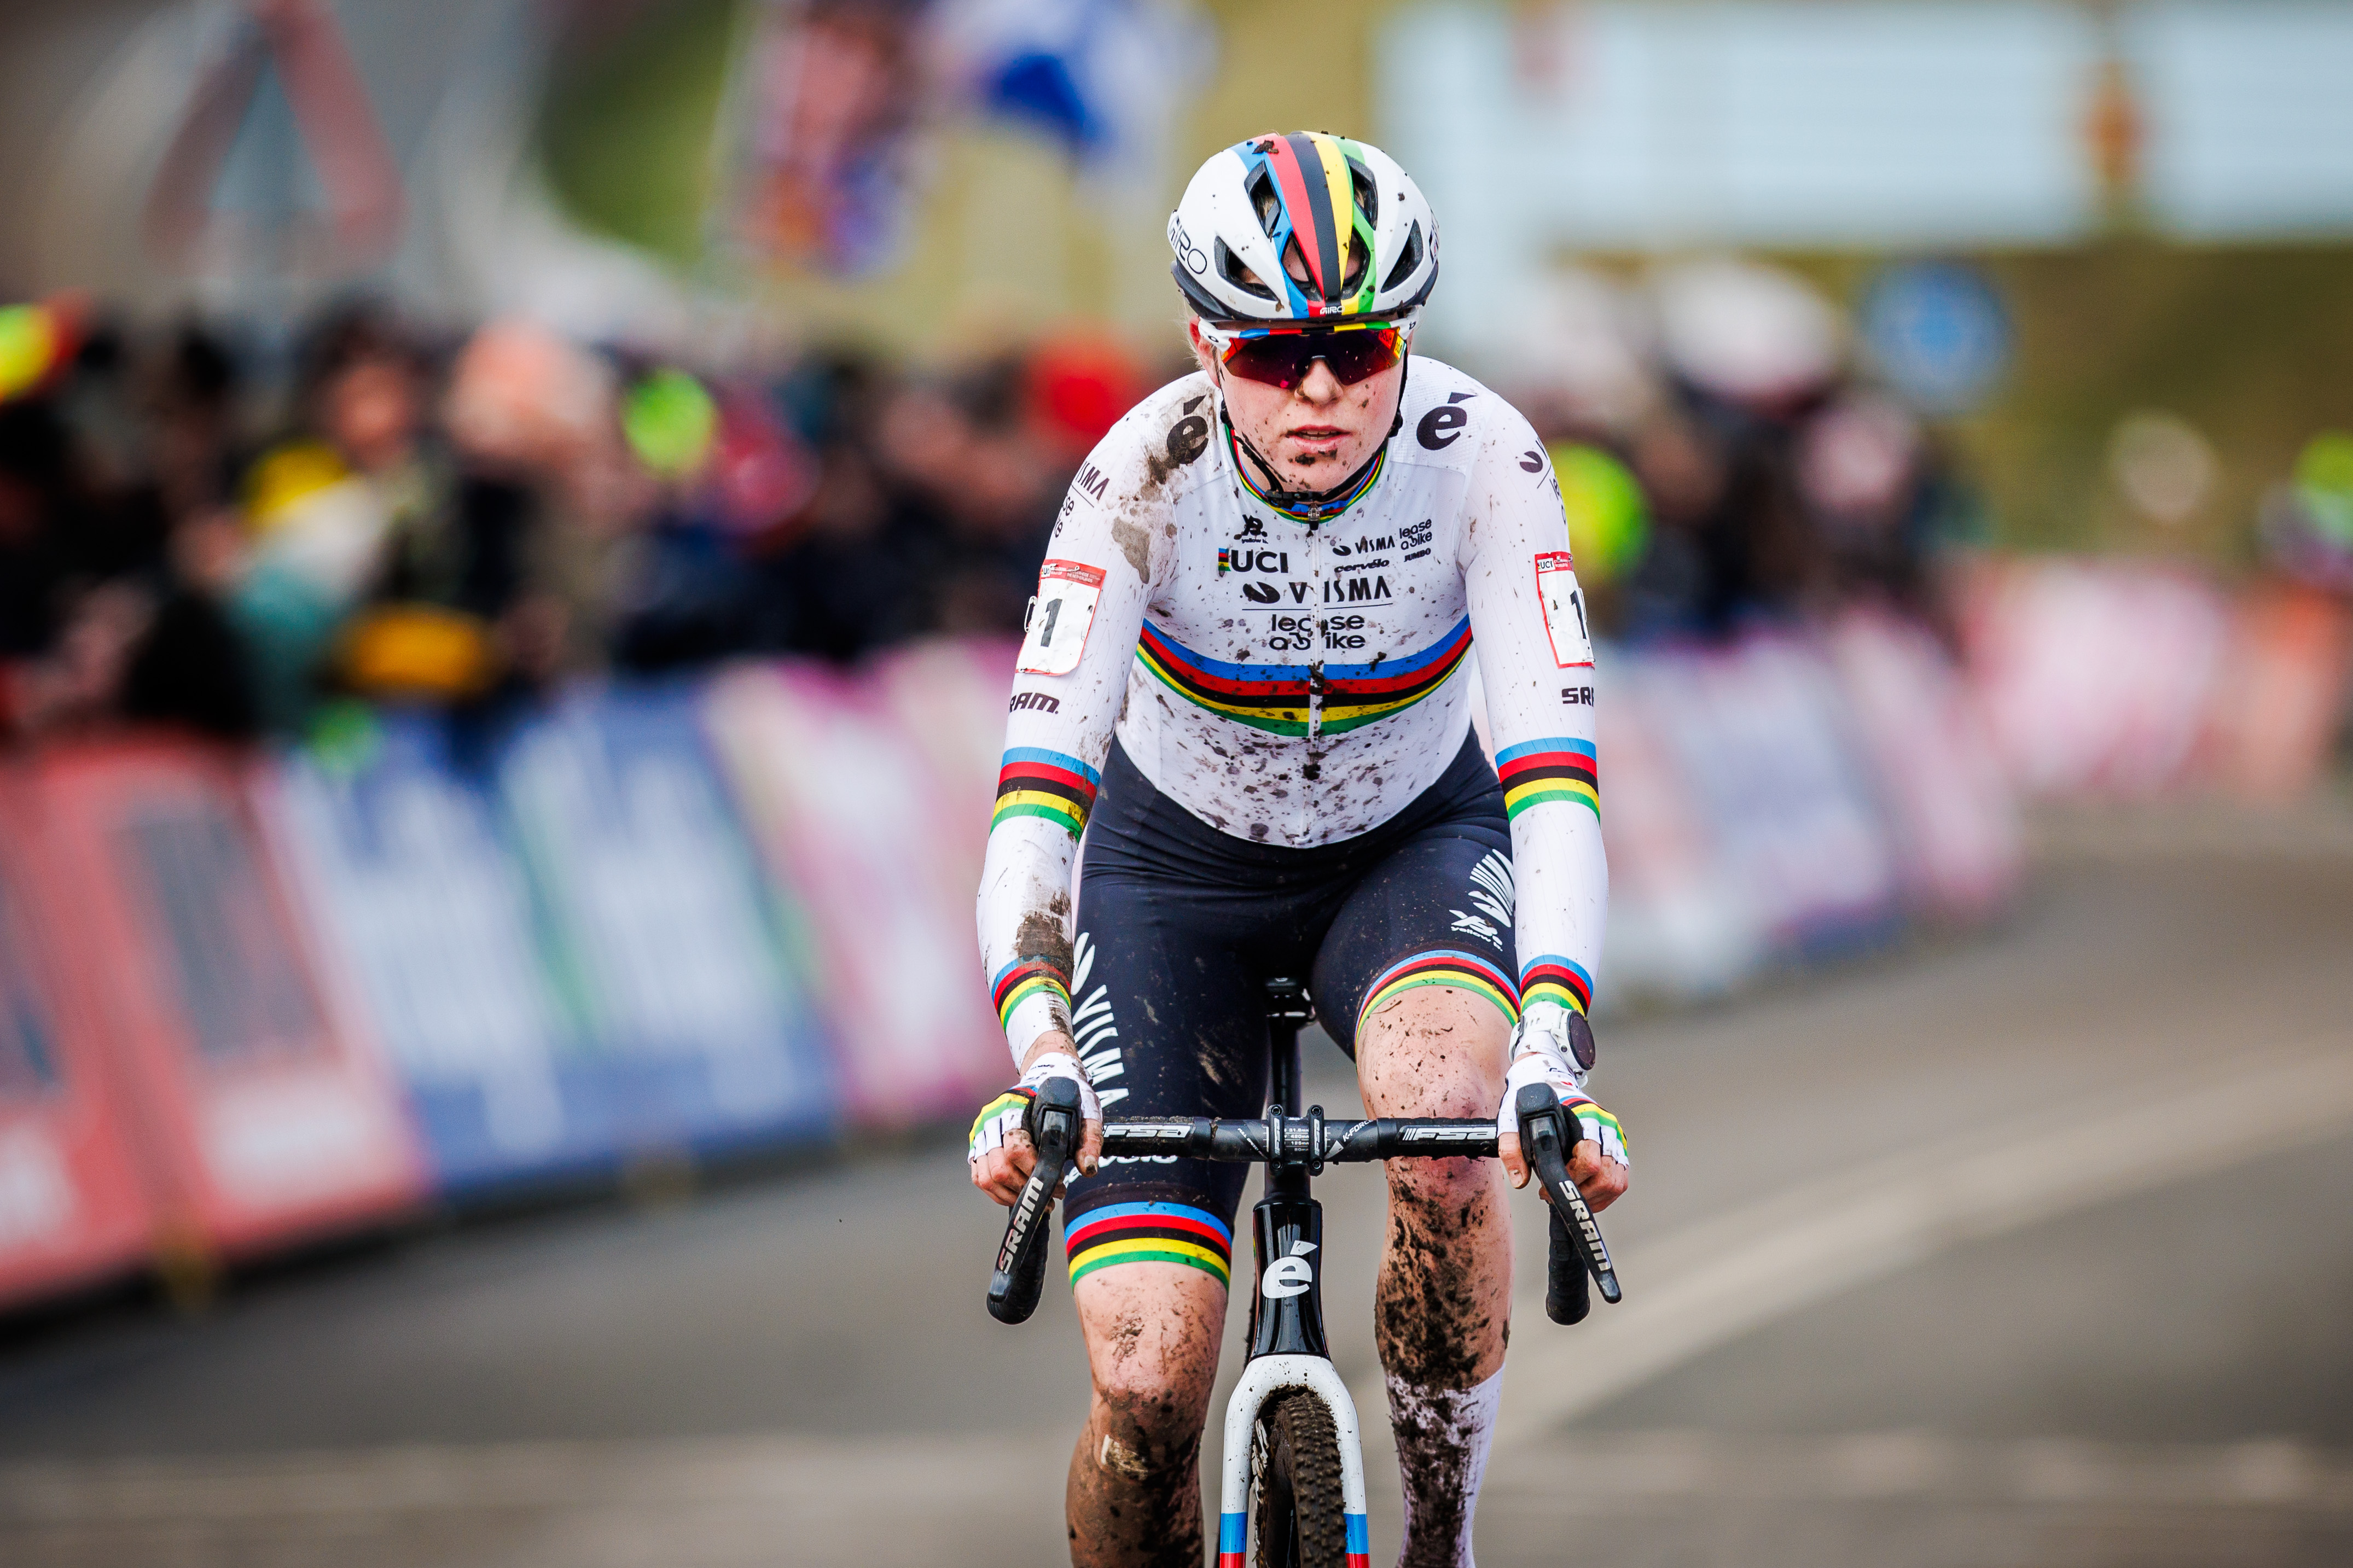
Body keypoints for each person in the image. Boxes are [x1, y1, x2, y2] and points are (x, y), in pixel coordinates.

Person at [969, 132, 1629, 1568]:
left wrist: (1552, 1052)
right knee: (1147, 1380)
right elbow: (1037, 799)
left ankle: (1440, 1542)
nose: (1322, 391)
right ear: (1208, 342)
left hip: (1407, 848)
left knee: (1450, 1124)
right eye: (1275, 356)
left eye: (1358, 347)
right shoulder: (1138, 474)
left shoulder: (1486, 458)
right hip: (1170, 881)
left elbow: (1555, 780)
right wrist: (1039, 1062)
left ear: (1406, 338)